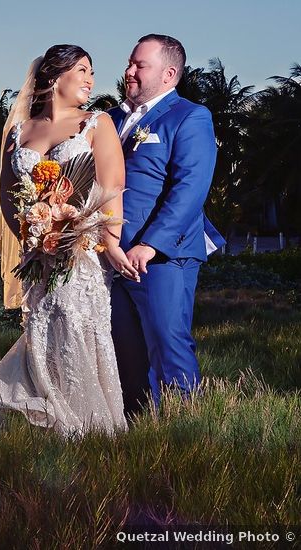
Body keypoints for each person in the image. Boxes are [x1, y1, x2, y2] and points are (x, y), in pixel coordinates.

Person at [0, 45, 138, 437]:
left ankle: (84, 419)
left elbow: (112, 187)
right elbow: (5, 194)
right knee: (41, 325)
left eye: (92, 72)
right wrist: (32, 235)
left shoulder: (96, 123)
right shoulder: (21, 131)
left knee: (74, 323)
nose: (91, 79)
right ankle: (42, 406)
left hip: (82, 251)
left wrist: (107, 241)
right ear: (56, 76)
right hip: (39, 253)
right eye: (83, 70)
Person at [108, 34, 226, 418]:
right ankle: (139, 425)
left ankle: (183, 429)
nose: (129, 71)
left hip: (162, 255)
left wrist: (150, 244)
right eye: (129, 62)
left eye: (140, 65)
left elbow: (190, 188)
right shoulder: (109, 119)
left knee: (167, 340)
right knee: (124, 345)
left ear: (169, 73)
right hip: (111, 255)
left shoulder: (190, 116)